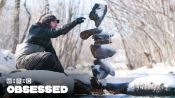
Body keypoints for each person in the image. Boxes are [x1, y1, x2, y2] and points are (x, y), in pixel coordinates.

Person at [15, 14, 85, 73]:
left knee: (52, 58)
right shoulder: (36, 28)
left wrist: (63, 73)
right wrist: (75, 22)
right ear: (47, 22)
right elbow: (55, 33)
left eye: (57, 22)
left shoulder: (46, 40)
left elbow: (54, 57)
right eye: (55, 21)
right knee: (48, 56)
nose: (57, 24)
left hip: (33, 61)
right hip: (22, 61)